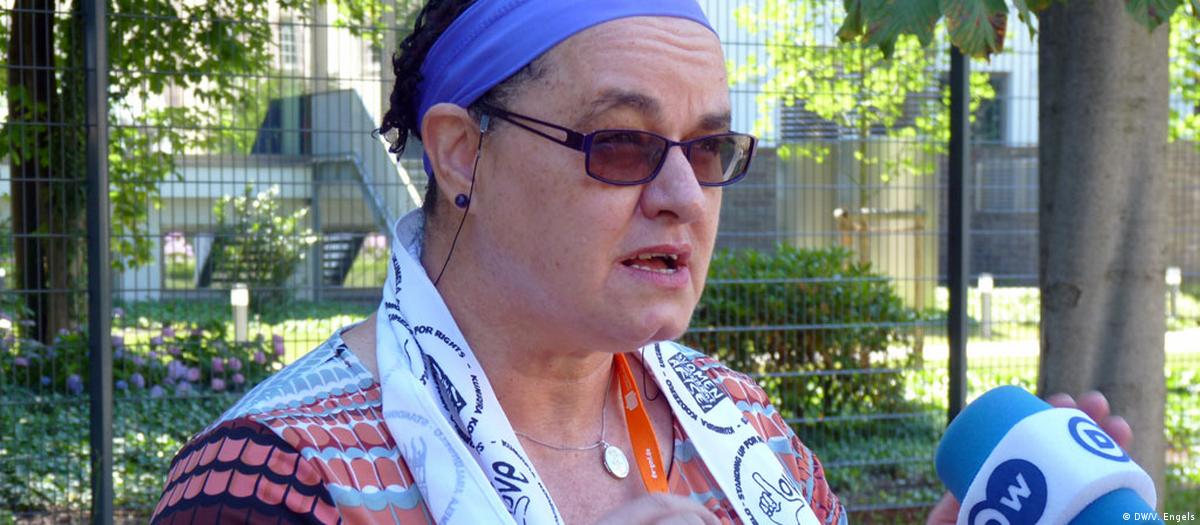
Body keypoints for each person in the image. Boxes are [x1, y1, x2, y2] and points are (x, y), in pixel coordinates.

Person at [149, 1, 1135, 524]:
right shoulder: (276, 481)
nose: (681, 196)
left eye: (708, 149)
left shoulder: (742, 428)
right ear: (461, 154)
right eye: (620, 143)